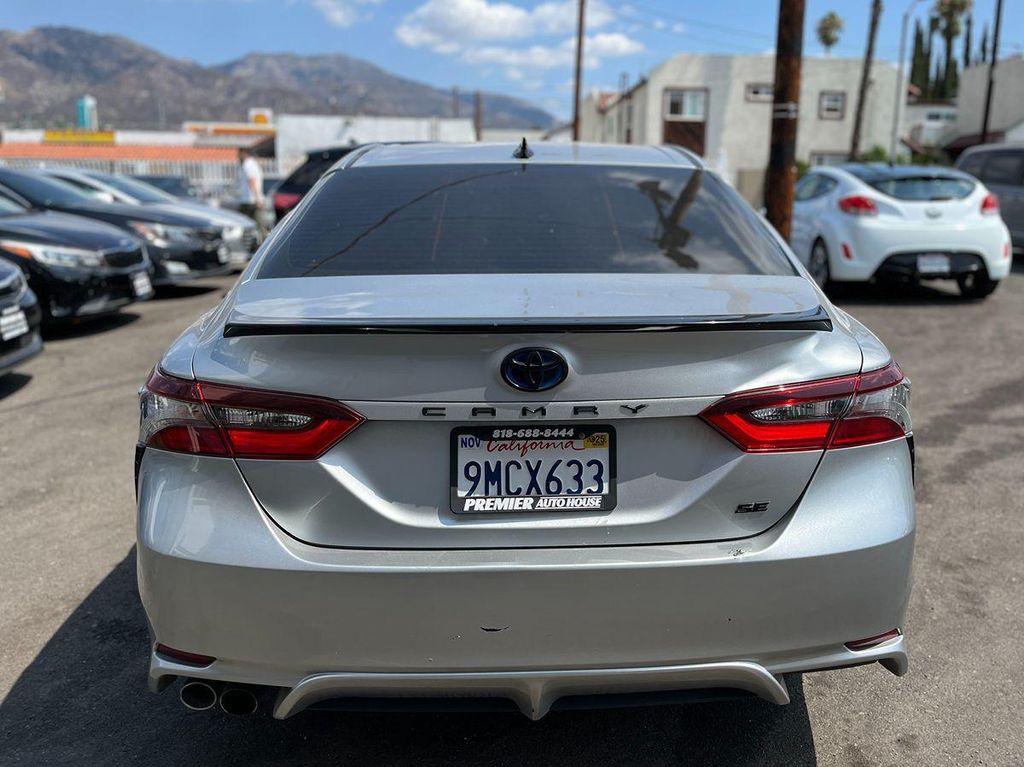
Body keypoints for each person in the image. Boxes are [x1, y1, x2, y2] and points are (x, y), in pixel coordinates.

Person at [237, 148, 265, 235]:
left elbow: (251, 181)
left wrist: (257, 199)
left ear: (244, 153)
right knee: (257, 225)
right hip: (251, 200)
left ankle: (263, 242)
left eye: (239, 154)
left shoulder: (247, 165)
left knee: (242, 224)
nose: (237, 157)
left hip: (249, 200)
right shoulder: (253, 164)